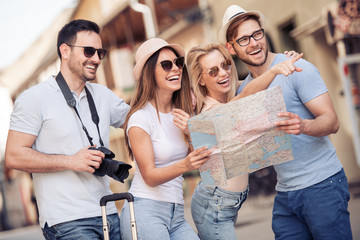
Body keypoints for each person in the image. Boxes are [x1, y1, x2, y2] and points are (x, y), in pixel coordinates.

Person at [220, 5, 352, 239]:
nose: (254, 43)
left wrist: (304, 126)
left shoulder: (297, 68)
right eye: (243, 39)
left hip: (322, 184)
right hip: (285, 193)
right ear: (231, 48)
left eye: (257, 34)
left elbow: (332, 123)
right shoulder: (246, 89)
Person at [5, 19, 130, 239]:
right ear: (65, 51)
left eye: (100, 53)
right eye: (89, 51)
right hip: (66, 220)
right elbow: (14, 156)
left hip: (108, 211)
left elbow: (139, 123)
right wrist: (71, 161)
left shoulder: (103, 95)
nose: (96, 59)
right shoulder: (34, 98)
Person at [186, 42, 302, 240]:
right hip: (213, 204)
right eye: (213, 71)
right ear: (201, 80)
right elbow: (249, 92)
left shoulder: (228, 96)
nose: (223, 73)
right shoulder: (211, 110)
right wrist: (275, 69)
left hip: (227, 202)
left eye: (226, 65)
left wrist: (282, 59)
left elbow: (251, 82)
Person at [119, 38, 212, 240]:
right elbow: (150, 176)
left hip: (176, 213)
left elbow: (200, 154)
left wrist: (191, 131)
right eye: (166, 65)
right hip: (145, 211)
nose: (176, 69)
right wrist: (185, 164)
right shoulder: (140, 118)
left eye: (178, 63)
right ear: (149, 73)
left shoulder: (181, 114)